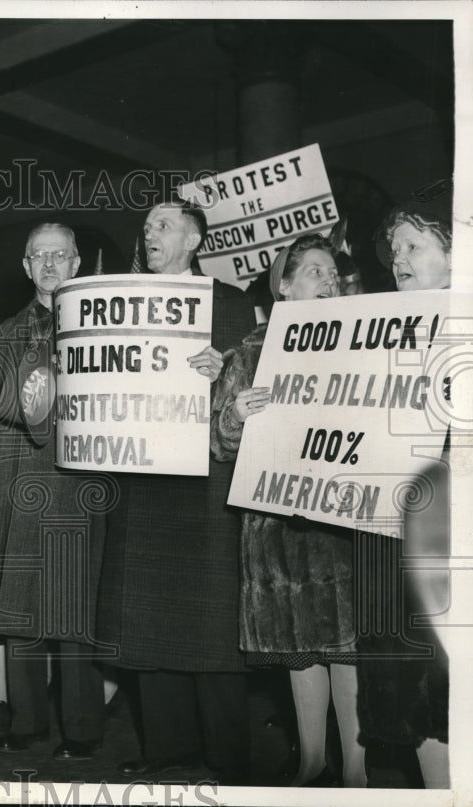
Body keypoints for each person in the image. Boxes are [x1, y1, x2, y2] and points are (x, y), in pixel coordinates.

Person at [99, 200, 257, 783]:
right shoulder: (121, 304)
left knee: (211, 624)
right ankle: (167, 746)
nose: (149, 235)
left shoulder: (233, 304)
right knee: (147, 621)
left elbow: (252, 396)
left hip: (205, 481)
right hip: (142, 477)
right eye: (146, 227)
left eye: (162, 226)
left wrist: (224, 375)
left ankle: (228, 754)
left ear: (193, 239)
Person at [211, 234, 366, 787]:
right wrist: (235, 414)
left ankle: (357, 771)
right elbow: (218, 444)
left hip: (339, 523)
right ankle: (311, 760)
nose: (328, 282)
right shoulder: (251, 351)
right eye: (315, 273)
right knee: (299, 649)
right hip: (276, 527)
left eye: (332, 274)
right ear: (285, 285)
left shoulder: (360, 344)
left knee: (345, 647)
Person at [0, 222, 112, 761]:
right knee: (19, 605)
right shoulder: (6, 332)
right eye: (39, 256)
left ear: (77, 264)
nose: (50, 264)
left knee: (73, 607)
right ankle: (27, 721)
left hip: (77, 483)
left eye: (60, 255)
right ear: (26, 267)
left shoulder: (101, 331)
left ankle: (82, 728)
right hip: (15, 480)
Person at [355, 198, 451, 787]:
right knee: (409, 697)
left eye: (414, 246)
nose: (399, 260)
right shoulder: (379, 332)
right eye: (394, 252)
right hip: (397, 544)